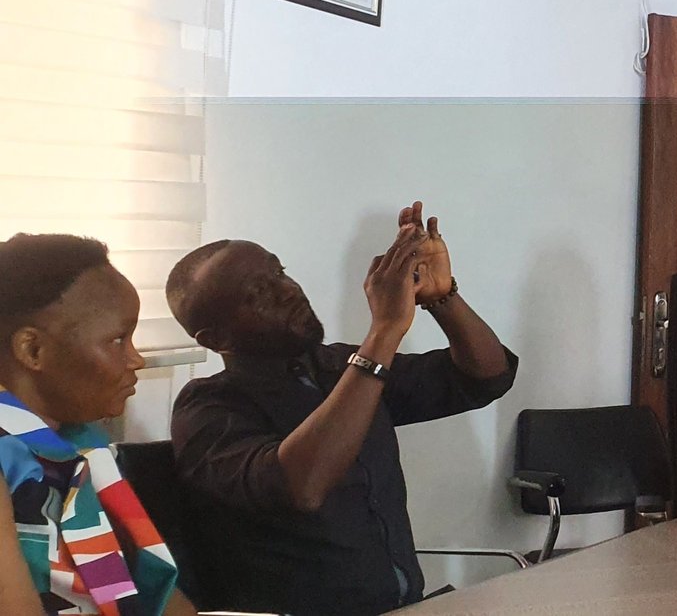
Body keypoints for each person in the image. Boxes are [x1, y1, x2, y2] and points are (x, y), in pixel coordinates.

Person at [164, 204, 516, 616]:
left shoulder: (338, 369)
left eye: (278, 272)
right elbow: (303, 485)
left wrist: (443, 298)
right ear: (215, 339)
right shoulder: (208, 407)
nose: (287, 290)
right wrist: (384, 332)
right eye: (257, 293)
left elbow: (485, 377)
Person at [0, 234, 191, 616]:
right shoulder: (11, 459)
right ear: (33, 350)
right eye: (118, 340)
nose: (136, 360)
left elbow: (162, 603)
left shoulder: (81, 446)